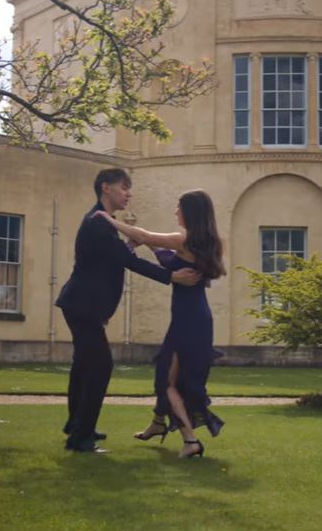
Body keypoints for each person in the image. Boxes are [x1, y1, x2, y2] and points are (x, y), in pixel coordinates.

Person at [55, 168, 201, 454]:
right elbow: (126, 261)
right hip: (81, 306)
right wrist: (170, 277)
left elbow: (112, 260)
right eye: (124, 187)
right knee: (100, 366)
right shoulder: (98, 222)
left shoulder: (103, 222)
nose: (128, 193)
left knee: (84, 366)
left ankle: (77, 426)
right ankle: (81, 438)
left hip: (81, 305)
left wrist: (130, 246)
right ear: (106, 188)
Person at [94, 189, 226, 458]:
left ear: (190, 212)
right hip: (196, 318)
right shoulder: (207, 242)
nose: (175, 211)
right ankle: (157, 423)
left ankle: (191, 440)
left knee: (168, 381)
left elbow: (142, 235)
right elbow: (169, 261)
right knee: (167, 372)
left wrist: (107, 218)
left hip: (187, 321)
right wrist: (149, 245)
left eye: (178, 207)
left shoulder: (183, 239)